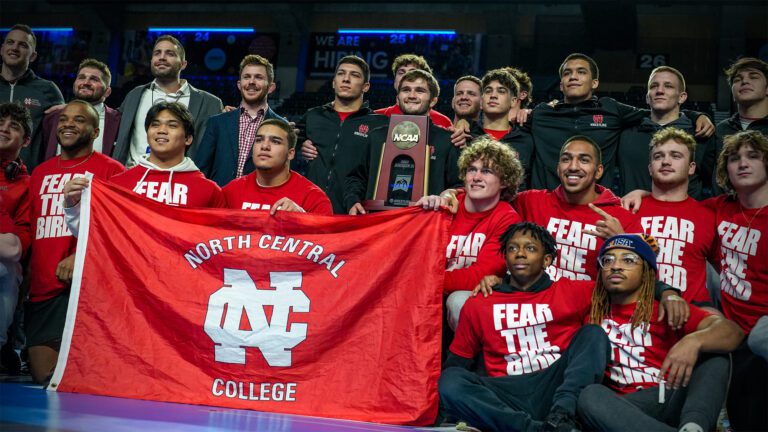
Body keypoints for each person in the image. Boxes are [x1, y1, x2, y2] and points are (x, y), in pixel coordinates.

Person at [439, 223, 687, 432]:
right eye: (512, 248)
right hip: (507, 392)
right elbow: (458, 363)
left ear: (547, 259)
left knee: (593, 334)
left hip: (557, 385)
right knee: (450, 380)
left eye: (530, 248)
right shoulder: (480, 303)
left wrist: (666, 292)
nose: (520, 254)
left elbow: (623, 281)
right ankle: (537, 430)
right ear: (505, 258)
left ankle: (561, 418)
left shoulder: (572, 291)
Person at [577, 234, 743, 432]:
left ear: (647, 271)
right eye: (608, 260)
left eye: (628, 260)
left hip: (672, 394)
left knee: (715, 354)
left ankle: (694, 427)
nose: (616, 266)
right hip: (624, 407)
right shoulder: (589, 311)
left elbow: (733, 332)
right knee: (589, 395)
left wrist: (693, 341)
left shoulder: (666, 309)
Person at [27, 100, 125, 383]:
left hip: (84, 288)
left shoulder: (112, 171)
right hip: (42, 286)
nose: (69, 124)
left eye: (79, 120)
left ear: (95, 132)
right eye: (65, 119)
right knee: (42, 374)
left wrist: (78, 255)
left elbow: (117, 232)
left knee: (80, 375)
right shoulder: (40, 173)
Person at [528, 53, 713, 190]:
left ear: (595, 83)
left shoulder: (611, 109)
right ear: (561, 85)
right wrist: (519, 112)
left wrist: (697, 115)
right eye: (567, 73)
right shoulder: (541, 114)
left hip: (594, 210)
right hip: (545, 206)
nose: (573, 76)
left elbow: (659, 111)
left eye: (581, 72)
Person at [63, 102, 226, 235]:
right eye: (155, 125)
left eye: (172, 125)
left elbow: (219, 245)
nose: (161, 130)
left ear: (188, 138)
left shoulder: (209, 191)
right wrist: (72, 205)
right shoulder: (118, 184)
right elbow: (93, 234)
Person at [414, 137, 523, 329]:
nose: (477, 177)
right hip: (429, 291)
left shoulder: (507, 219)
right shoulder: (445, 205)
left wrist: (425, 281)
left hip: (463, 292)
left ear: (504, 181)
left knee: (458, 302)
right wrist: (424, 211)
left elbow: (481, 274)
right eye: (472, 169)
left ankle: (466, 359)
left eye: (487, 171)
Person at [514, 135, 643, 281]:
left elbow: (645, 277)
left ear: (599, 171)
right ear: (558, 168)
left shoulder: (622, 217)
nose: (573, 167)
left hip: (592, 302)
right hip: (539, 301)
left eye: (584, 160)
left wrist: (621, 241)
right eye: (566, 159)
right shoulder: (532, 201)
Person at [345, 69, 461, 215]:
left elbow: (458, 185)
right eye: (406, 90)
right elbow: (357, 177)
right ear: (398, 97)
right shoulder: (376, 136)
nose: (412, 95)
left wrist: (446, 195)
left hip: (424, 223)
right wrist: (353, 200)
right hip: (379, 221)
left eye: (419, 91)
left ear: (433, 100)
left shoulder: (447, 140)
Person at [295, 55, 388, 214]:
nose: (346, 79)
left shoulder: (379, 124)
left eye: (354, 75)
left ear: (366, 87)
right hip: (309, 210)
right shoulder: (313, 116)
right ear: (333, 82)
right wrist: (300, 146)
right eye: (341, 74)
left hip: (353, 212)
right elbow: (287, 143)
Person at [113, 34, 223, 167]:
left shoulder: (210, 103)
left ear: (183, 64)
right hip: (132, 179)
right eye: (157, 53)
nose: (162, 57)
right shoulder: (134, 95)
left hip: (180, 181)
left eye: (170, 53)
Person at [635, 128, 716, 305]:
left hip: (691, 316)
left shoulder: (709, 216)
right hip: (638, 315)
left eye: (676, 156)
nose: (665, 161)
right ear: (650, 168)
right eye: (658, 156)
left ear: (691, 167)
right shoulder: (629, 208)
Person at [617, 66, 715, 199]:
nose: (660, 91)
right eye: (654, 86)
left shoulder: (700, 134)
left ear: (682, 97)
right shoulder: (625, 134)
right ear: (647, 97)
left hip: (683, 217)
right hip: (631, 216)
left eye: (668, 86)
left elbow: (712, 182)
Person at [195, 55, 287, 187]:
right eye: (246, 77)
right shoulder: (217, 123)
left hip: (257, 203)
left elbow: (284, 174)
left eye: (258, 77)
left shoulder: (282, 127)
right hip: (219, 202)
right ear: (239, 84)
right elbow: (200, 170)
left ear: (271, 87)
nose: (251, 82)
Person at [222, 119, 332, 215]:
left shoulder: (314, 199)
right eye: (259, 140)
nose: (264, 146)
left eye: (275, 141)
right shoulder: (231, 191)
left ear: (290, 154)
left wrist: (303, 218)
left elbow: (328, 238)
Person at [0, 24, 64, 170]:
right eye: (10, 42)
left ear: (33, 56)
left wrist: (67, 110)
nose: (15, 48)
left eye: (23, 45)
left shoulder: (48, 90)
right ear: (2, 49)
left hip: (28, 177)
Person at [0, 102, 31, 374]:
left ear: (26, 140)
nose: (4, 129)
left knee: (5, 269)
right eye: (1, 123)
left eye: (14, 126)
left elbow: (15, 249)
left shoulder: (27, 185)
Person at [41, 59, 121, 160]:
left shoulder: (119, 121)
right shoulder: (53, 117)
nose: (86, 82)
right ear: (74, 84)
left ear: (107, 91)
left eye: (94, 79)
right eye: (81, 78)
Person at [469, 69, 534, 188]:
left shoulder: (526, 141)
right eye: (488, 91)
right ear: (481, 101)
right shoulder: (466, 135)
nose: (493, 95)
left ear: (514, 101)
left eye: (501, 91)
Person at [713, 57, 768, 195]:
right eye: (737, 79)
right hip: (724, 212)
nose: (744, 81)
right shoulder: (720, 130)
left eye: (753, 77)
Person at [374, 54, 452, 128]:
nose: (406, 76)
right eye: (401, 73)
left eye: (413, 73)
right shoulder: (376, 117)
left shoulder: (443, 122)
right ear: (395, 81)